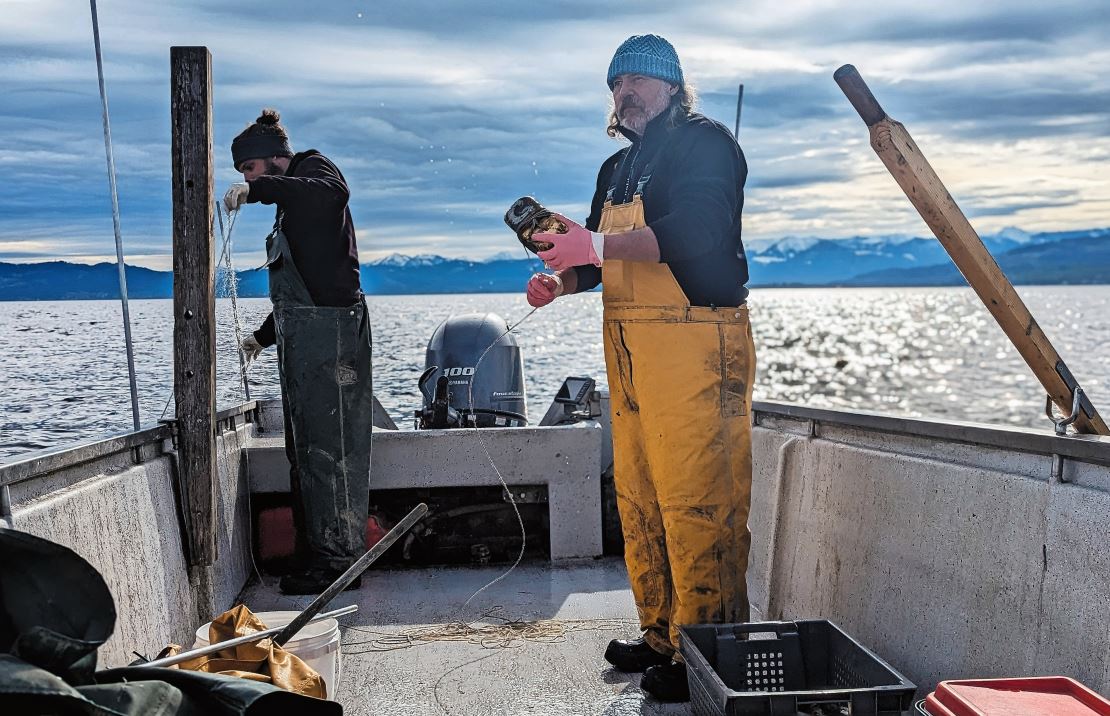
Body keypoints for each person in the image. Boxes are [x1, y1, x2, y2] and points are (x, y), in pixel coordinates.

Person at [526, 35, 754, 702]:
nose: (626, 92)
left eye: (641, 81)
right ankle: (661, 636)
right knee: (642, 498)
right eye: (617, 83)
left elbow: (700, 230)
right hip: (629, 354)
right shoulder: (614, 170)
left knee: (699, 503)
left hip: (698, 347)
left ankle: (706, 654)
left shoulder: (706, 144)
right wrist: (562, 282)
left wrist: (592, 242)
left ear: (674, 87)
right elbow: (600, 261)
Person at [223, 109, 372, 595]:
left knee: (331, 448)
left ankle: (338, 561)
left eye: (248, 170)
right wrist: (261, 339)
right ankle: (314, 552)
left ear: (269, 160)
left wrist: (258, 191)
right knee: (305, 449)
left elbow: (333, 196)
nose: (245, 180)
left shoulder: (316, 170)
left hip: (331, 338)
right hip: (301, 340)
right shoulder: (291, 204)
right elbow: (302, 286)